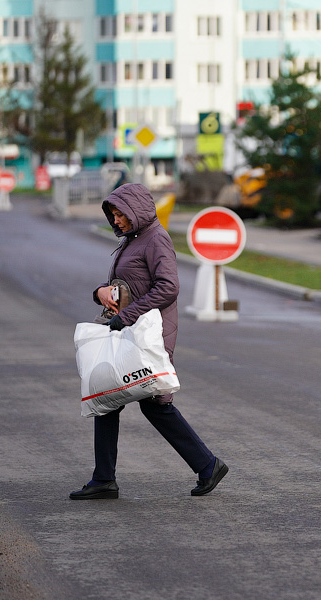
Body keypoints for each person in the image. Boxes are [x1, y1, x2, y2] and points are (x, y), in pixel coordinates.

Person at [70, 183, 228, 499]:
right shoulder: (134, 240)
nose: (116, 221)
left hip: (150, 334)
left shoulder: (156, 239)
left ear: (137, 211)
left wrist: (126, 317)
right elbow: (129, 283)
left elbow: (168, 287)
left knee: (154, 403)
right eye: (113, 215)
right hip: (133, 330)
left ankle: (208, 465)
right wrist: (100, 291)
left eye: (121, 214)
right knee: (107, 398)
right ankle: (104, 478)